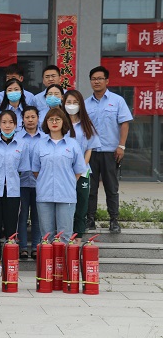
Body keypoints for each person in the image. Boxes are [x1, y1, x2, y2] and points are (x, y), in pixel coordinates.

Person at [0, 110, 31, 276]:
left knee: (11, 228)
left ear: (16, 125)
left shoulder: (22, 144)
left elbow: (23, 169)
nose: (7, 125)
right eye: (4, 122)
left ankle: (10, 261)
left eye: (11, 122)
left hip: (13, 191)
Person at [85, 66, 133, 234]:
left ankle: (114, 220)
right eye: (93, 79)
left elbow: (124, 123)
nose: (96, 82)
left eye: (100, 78)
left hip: (111, 152)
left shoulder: (117, 101)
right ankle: (90, 219)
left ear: (107, 81)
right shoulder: (85, 103)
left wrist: (121, 146)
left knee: (111, 188)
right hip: (91, 152)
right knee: (90, 189)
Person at [32, 108, 86, 243]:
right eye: (51, 119)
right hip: (45, 194)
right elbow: (36, 170)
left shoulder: (73, 144)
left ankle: (63, 258)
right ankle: (47, 258)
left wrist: (67, 182)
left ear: (64, 122)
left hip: (66, 194)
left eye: (57, 119)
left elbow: (78, 170)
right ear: (46, 123)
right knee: (46, 237)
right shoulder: (40, 145)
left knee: (65, 236)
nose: (54, 122)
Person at [63, 90, 101, 242]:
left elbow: (89, 149)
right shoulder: (60, 123)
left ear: (81, 105)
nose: (72, 105)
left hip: (83, 172)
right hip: (63, 172)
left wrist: (80, 168)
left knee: (81, 204)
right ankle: (64, 234)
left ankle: (78, 235)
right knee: (65, 205)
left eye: (75, 102)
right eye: (68, 102)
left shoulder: (86, 124)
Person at [17, 106, 45, 259]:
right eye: (27, 117)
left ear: (38, 118)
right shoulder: (17, 137)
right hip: (20, 184)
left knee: (37, 216)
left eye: (33, 117)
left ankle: (35, 247)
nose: (30, 120)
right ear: (22, 119)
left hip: (39, 183)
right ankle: (22, 247)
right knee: (21, 217)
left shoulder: (45, 138)